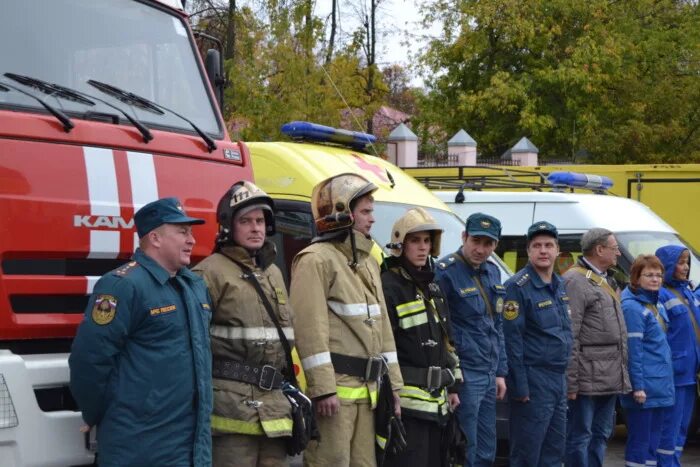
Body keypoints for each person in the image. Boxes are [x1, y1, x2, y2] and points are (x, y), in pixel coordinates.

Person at [69, 197, 213, 466]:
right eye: (182, 232)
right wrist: (96, 414)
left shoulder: (194, 286)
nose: (191, 240)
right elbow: (89, 360)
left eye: (191, 232)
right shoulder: (121, 286)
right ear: (155, 238)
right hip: (140, 448)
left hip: (192, 450)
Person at [289, 173, 403, 467]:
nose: (372, 219)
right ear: (341, 213)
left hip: (370, 393)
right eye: (365, 211)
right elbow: (309, 329)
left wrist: (395, 388)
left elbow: (383, 330)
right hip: (335, 394)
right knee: (331, 462)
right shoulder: (315, 260)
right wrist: (322, 388)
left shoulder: (368, 262)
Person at [192, 181, 295, 466]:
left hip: (274, 408)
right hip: (230, 410)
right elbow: (192, 345)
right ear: (228, 227)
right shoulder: (208, 273)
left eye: (261, 221)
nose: (256, 228)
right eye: (246, 221)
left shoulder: (273, 273)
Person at [381, 207, 462, 467]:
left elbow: (447, 339)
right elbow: (384, 345)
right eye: (415, 240)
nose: (422, 247)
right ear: (400, 245)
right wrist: (390, 396)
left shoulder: (433, 285)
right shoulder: (389, 286)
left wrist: (453, 386)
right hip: (406, 407)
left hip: (437, 405)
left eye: (427, 241)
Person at [434, 212, 507, 467]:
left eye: (488, 243)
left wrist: (500, 372)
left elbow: (497, 326)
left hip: (488, 372)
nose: (480, 249)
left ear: (495, 245)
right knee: (466, 446)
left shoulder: (493, 272)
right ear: (464, 237)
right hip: (465, 373)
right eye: (476, 241)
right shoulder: (444, 272)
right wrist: (452, 379)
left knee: (488, 448)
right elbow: (440, 330)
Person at [503, 221, 573, 467]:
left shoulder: (558, 284)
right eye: (537, 246)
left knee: (554, 453)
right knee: (527, 454)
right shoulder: (517, 287)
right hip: (534, 380)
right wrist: (520, 386)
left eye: (549, 245)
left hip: (557, 379)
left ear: (557, 250)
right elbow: (512, 340)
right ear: (528, 251)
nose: (543, 251)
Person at [563, 228, 630, 467]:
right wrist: (572, 382)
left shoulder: (605, 279)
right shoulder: (575, 281)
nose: (618, 252)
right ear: (599, 249)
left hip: (608, 376)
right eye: (614, 248)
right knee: (580, 437)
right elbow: (571, 335)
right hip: (586, 378)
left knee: (601, 435)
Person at [620, 254, 674, 467]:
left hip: (660, 386)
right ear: (636, 278)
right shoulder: (632, 308)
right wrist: (638, 387)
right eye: (649, 275)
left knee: (652, 443)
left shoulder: (656, 303)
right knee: (640, 444)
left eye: (659, 275)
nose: (655, 279)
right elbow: (633, 351)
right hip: (645, 390)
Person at [655, 246, 700, 467]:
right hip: (674, 374)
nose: (685, 268)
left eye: (687, 263)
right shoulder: (661, 294)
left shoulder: (687, 292)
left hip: (690, 373)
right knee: (668, 430)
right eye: (680, 263)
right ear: (667, 265)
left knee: (681, 430)